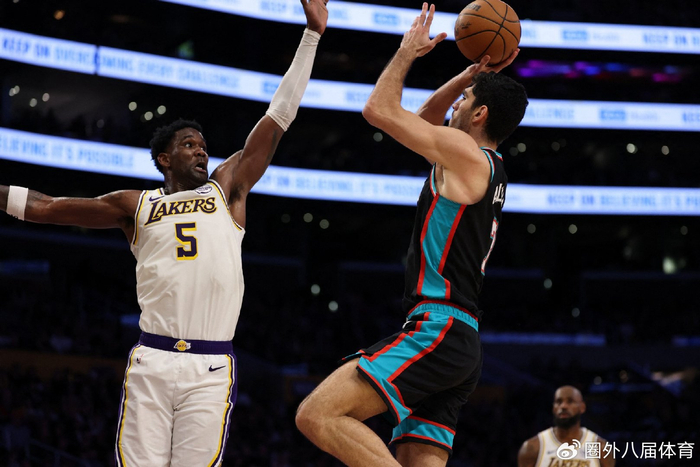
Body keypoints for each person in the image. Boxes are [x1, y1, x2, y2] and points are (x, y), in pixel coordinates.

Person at [0, 1, 329, 465]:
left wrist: (312, 36)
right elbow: (48, 207)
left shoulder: (227, 188)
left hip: (210, 364)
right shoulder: (135, 205)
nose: (202, 151)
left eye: (204, 145)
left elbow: (277, 119)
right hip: (152, 358)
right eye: (189, 145)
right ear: (165, 159)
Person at [295, 3, 528, 466]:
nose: (455, 104)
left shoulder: (464, 154)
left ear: (480, 114)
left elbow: (379, 110)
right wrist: (468, 77)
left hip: (437, 329)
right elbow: (423, 117)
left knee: (317, 415)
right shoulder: (481, 164)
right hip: (461, 338)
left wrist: (406, 52)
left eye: (465, 100)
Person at [518, 385, 615, 467]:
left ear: (582, 407)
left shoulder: (600, 447)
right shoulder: (533, 447)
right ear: (553, 408)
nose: (563, 406)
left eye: (570, 401)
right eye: (559, 402)